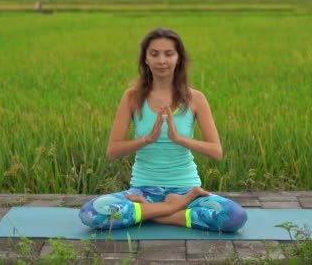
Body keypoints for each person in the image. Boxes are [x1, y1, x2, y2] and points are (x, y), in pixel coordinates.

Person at [79, 28, 248, 233]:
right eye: (154, 54)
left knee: (234, 217)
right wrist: (147, 139)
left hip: (186, 189)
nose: (161, 60)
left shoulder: (196, 99)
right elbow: (112, 151)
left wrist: (179, 139)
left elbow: (216, 151)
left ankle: (149, 213)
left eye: (169, 54)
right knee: (91, 214)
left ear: (179, 59)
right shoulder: (132, 97)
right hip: (142, 191)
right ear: (146, 60)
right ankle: (171, 209)